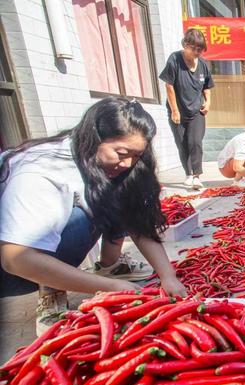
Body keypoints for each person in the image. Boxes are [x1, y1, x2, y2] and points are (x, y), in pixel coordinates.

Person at [0, 97, 188, 333]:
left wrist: (167, 276)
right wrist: (110, 287)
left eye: (136, 155)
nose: (128, 163)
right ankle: (50, 287)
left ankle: (107, 265)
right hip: (9, 273)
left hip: (18, 259)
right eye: (120, 153)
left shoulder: (104, 162)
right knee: (81, 217)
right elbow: (15, 257)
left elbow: (138, 222)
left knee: (124, 191)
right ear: (95, 138)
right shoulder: (42, 172)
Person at [159, 28, 214, 190]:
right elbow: (169, 85)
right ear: (185, 45)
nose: (197, 52)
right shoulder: (175, 60)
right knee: (182, 143)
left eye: (200, 49)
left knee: (195, 142)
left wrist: (208, 102)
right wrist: (175, 110)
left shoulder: (203, 65)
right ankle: (188, 174)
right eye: (194, 48)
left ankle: (196, 176)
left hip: (197, 111)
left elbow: (207, 86)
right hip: (178, 111)